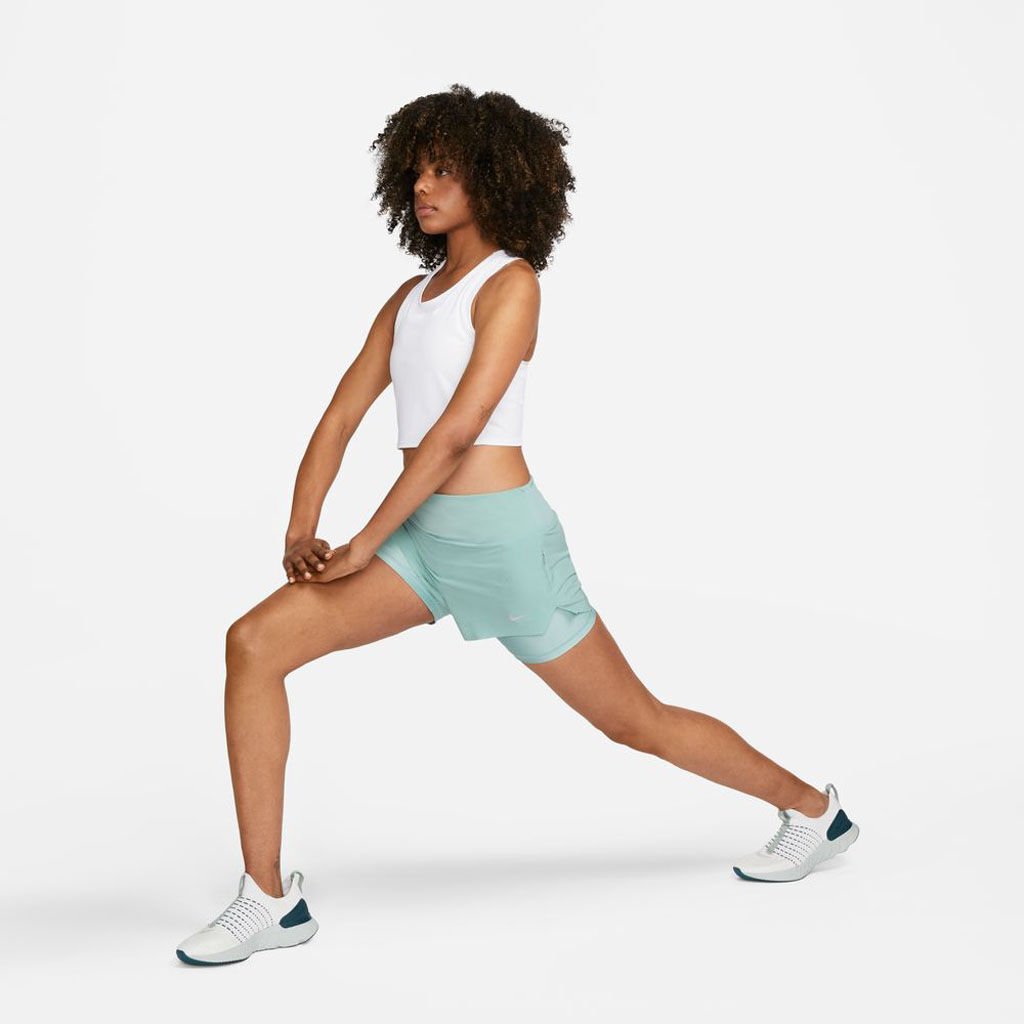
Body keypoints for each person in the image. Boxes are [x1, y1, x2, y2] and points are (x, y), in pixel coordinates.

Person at [175, 84, 859, 967]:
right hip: (420, 545)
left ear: (495, 180)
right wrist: (300, 531)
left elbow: (457, 433)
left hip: (503, 545)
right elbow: (340, 416)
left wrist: (363, 543)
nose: (424, 185)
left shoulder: (513, 286)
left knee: (633, 721)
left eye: (446, 170)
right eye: (417, 169)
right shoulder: (409, 298)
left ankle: (813, 811)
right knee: (254, 644)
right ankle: (268, 899)